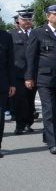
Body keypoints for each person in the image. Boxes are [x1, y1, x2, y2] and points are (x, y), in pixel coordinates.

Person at [25, 3, 56, 155]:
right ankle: (53, 143)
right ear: (47, 16)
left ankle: (47, 133)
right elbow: (30, 56)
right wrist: (29, 76)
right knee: (49, 109)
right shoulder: (38, 32)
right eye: (55, 14)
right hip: (44, 78)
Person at [12, 9, 37, 135]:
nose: (27, 22)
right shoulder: (12, 34)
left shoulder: (37, 33)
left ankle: (28, 123)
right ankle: (19, 124)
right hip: (19, 73)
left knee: (30, 99)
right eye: (24, 19)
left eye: (29, 19)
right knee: (20, 99)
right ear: (18, 20)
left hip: (34, 73)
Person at [0, 19, 15, 158]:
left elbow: (10, 62)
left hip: (2, 83)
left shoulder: (5, 36)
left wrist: (12, 83)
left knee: (0, 117)